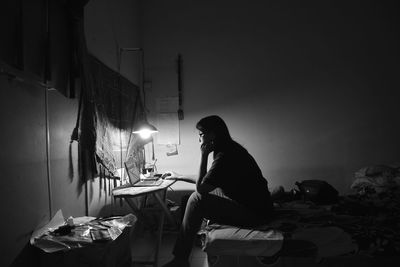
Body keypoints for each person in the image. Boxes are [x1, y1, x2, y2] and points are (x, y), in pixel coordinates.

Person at [163, 115, 273, 267]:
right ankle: (186, 249)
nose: (199, 140)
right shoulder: (229, 149)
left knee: (196, 199)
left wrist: (203, 155)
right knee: (187, 199)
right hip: (248, 204)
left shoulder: (225, 156)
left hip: (254, 214)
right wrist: (179, 176)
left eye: (201, 135)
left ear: (212, 135)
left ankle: (180, 260)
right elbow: (209, 180)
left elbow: (201, 188)